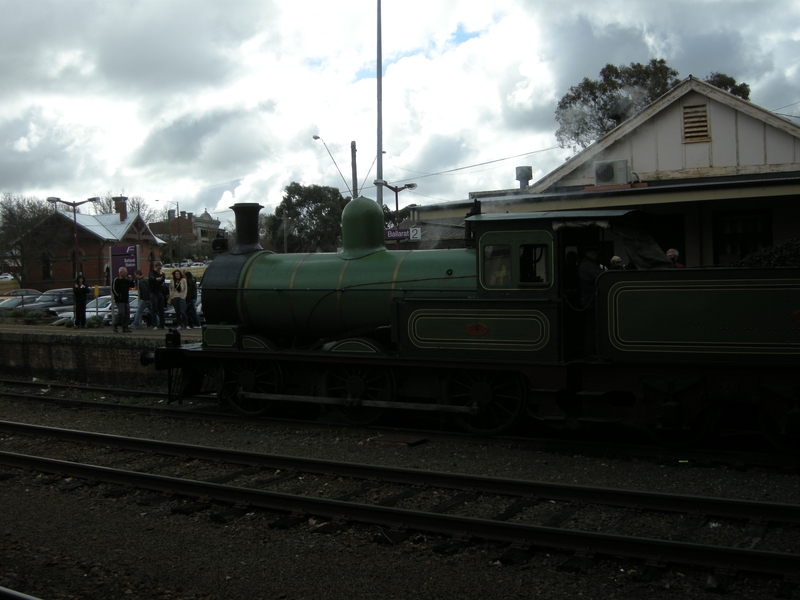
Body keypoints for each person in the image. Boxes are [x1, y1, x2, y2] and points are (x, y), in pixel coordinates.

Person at [579, 247, 605, 356]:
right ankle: (590, 350)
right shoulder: (589, 265)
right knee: (592, 326)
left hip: (588, 299)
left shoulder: (585, 263)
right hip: (591, 300)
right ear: (594, 254)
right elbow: (602, 276)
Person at [112, 267, 135, 333]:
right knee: (122, 313)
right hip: (119, 300)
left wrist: (131, 280)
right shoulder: (116, 280)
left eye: (126, 272)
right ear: (120, 272)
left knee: (127, 313)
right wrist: (118, 296)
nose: (126, 273)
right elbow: (113, 289)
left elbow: (132, 286)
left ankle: (125, 327)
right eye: (125, 272)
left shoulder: (126, 280)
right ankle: (115, 324)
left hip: (126, 299)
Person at [148, 261, 167, 330]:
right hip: (154, 293)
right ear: (155, 267)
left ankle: (162, 325)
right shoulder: (152, 273)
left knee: (161, 310)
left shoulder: (159, 274)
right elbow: (151, 278)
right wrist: (156, 279)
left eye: (160, 268)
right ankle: (154, 325)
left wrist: (163, 277)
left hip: (160, 293)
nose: (159, 269)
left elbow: (161, 282)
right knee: (154, 310)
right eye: (158, 268)